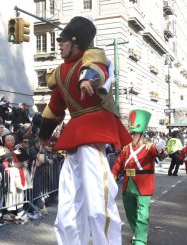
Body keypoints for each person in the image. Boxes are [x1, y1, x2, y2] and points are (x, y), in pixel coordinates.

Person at [38, 16, 132, 245]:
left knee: (98, 202)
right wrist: (42, 137)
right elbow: (54, 109)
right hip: (76, 138)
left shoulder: (91, 57)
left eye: (62, 40)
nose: (59, 44)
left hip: (92, 134)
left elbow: (96, 69)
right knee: (68, 205)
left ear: (76, 41)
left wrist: (86, 80)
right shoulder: (59, 73)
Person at [111, 109, 165, 245]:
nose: (132, 135)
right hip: (128, 184)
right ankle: (138, 233)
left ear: (142, 134)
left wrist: (160, 149)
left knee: (142, 214)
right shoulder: (126, 148)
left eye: (135, 133)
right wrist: (113, 176)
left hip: (143, 185)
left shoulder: (149, 147)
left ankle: (140, 239)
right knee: (130, 213)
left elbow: (157, 153)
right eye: (132, 133)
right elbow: (118, 163)